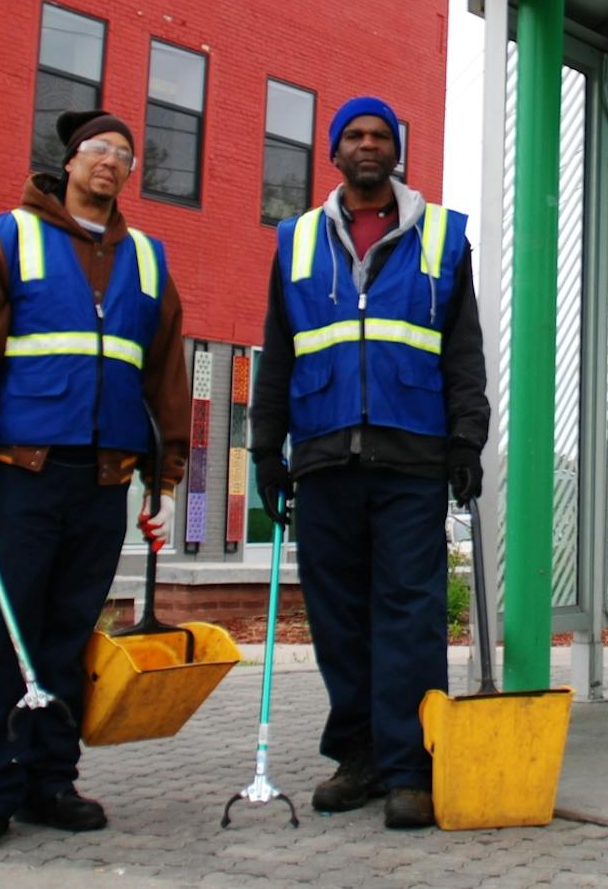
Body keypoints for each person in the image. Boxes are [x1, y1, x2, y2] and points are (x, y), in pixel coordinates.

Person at [0, 110, 190, 857]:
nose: (109, 162)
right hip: (19, 478)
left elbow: (166, 374)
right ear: (70, 160)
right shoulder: (11, 238)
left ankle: (49, 780)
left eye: (124, 154)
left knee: (64, 638)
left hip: (103, 482)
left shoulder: (146, 258)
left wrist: (164, 478)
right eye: (97, 150)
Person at [250, 95, 488, 830]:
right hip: (323, 458)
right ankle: (357, 755)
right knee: (339, 617)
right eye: (354, 134)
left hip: (412, 458)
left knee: (410, 616)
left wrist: (466, 438)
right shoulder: (294, 241)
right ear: (333, 151)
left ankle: (411, 767)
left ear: (397, 151)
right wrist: (265, 447)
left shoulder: (442, 238)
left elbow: (463, 351)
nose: (367, 144)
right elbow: (278, 356)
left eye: (380, 134)